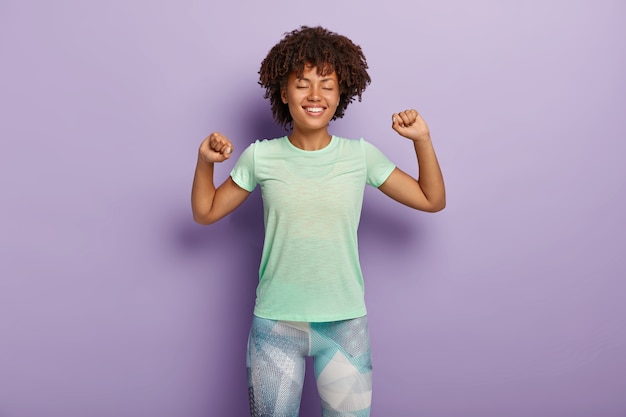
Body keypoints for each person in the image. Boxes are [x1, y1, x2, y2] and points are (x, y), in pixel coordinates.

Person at [191, 26, 445, 417]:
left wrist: (422, 140)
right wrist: (205, 162)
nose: (314, 96)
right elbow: (205, 212)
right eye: (302, 84)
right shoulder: (261, 157)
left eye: (326, 85)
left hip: (345, 325)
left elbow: (432, 200)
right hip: (275, 324)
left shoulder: (360, 156)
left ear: (340, 94)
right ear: (283, 92)